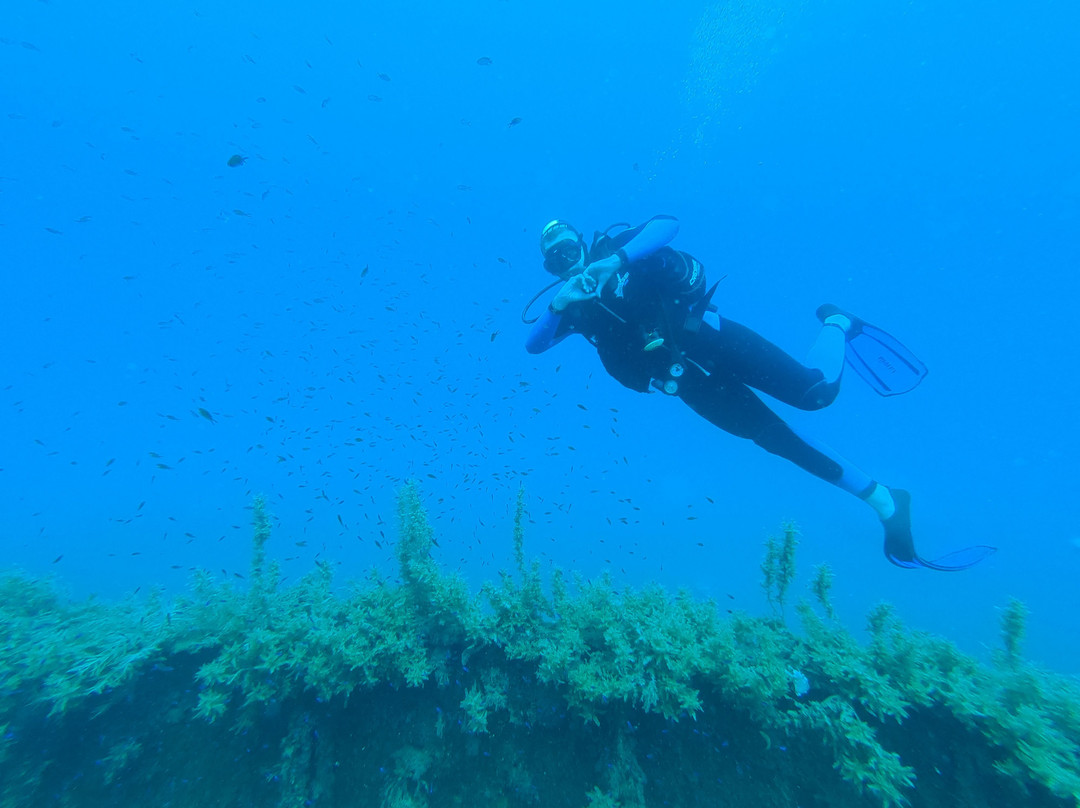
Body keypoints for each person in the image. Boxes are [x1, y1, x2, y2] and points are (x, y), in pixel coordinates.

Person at [524, 215, 995, 571]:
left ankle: (837, 322)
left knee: (816, 393)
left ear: (582, 241)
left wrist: (615, 260)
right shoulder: (571, 309)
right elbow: (535, 344)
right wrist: (559, 301)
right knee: (777, 440)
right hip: (685, 382)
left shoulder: (618, 250)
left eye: (568, 247)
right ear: (551, 266)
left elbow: (668, 224)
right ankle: (885, 500)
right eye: (556, 259)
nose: (567, 261)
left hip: (713, 337)